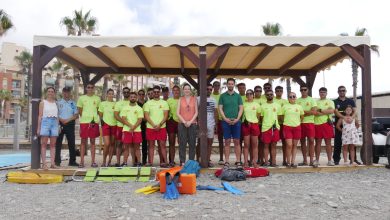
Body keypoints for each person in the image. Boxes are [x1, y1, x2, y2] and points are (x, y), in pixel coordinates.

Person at [218, 78, 243, 165]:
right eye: (229, 84)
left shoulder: (238, 96)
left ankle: (238, 160)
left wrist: (237, 119)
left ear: (234, 85)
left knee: (237, 141)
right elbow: (220, 108)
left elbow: (241, 108)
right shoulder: (222, 96)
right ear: (227, 85)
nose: (230, 85)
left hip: (236, 122)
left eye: (232, 84)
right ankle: (227, 161)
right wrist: (225, 118)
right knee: (227, 141)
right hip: (226, 121)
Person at [333, 86, 360, 165]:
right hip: (340, 124)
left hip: (351, 125)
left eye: (343, 90)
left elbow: (355, 111)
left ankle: (353, 160)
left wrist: (351, 118)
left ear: (346, 91)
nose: (342, 92)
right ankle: (336, 159)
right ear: (338, 92)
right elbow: (336, 112)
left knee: (352, 144)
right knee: (338, 143)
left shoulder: (350, 101)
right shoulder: (334, 101)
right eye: (340, 91)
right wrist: (344, 118)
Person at [143, 85, 169, 167]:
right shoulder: (147, 103)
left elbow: (166, 115)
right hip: (151, 127)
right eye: (155, 92)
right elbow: (146, 116)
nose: (156, 93)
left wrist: (160, 125)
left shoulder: (164, 103)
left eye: (158, 92)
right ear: (152, 93)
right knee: (151, 145)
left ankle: (165, 162)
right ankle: (150, 162)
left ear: (160, 93)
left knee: (162, 145)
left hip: (162, 127)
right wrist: (154, 125)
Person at [77, 83, 101, 168]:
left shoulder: (97, 98)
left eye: (92, 87)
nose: (90, 89)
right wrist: (85, 117)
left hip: (93, 122)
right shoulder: (81, 98)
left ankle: (93, 162)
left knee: (93, 142)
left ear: (94, 88)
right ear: (86, 88)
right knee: (83, 141)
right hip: (84, 122)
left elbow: (98, 111)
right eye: (88, 87)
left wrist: (94, 118)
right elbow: (80, 110)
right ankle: (81, 162)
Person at [55, 87, 79, 167]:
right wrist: (62, 120)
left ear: (70, 93)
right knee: (58, 143)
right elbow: (56, 114)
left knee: (71, 143)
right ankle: (57, 161)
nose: (66, 94)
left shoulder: (73, 103)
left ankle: (72, 161)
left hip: (70, 124)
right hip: (60, 124)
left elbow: (76, 115)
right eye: (64, 92)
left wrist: (67, 120)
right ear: (62, 93)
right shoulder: (58, 103)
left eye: (67, 92)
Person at [196, 84, 218, 167]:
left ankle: (208, 160)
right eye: (207, 89)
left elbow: (215, 112)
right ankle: (197, 159)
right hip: (201, 124)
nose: (208, 91)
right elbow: (196, 111)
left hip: (211, 123)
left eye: (210, 89)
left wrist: (216, 124)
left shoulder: (214, 100)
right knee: (200, 142)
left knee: (209, 142)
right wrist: (198, 122)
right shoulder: (198, 99)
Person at [37, 87, 59, 169]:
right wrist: (38, 128)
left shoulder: (56, 103)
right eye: (49, 91)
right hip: (45, 122)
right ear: (46, 92)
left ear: (54, 93)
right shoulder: (43, 103)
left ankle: (52, 164)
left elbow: (57, 115)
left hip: (54, 123)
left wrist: (58, 125)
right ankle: (44, 164)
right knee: (44, 144)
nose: (50, 93)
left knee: (53, 144)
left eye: (52, 91)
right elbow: (40, 116)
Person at [177, 84, 198, 165]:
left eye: (188, 89)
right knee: (182, 143)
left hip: (192, 124)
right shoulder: (180, 99)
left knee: (192, 143)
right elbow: (178, 113)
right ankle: (182, 161)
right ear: (183, 90)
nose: (187, 90)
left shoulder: (194, 99)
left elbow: (196, 112)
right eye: (185, 89)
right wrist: (184, 121)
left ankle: (191, 161)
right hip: (182, 124)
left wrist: (190, 122)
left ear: (190, 90)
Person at [281, 92, 304, 168]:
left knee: (295, 145)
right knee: (289, 145)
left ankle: (293, 162)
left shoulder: (299, 107)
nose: (292, 98)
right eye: (290, 97)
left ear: (296, 97)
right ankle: (288, 161)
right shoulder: (285, 106)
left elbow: (302, 116)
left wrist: (298, 122)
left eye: (294, 96)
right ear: (288, 98)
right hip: (287, 127)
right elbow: (281, 117)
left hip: (297, 127)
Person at [260, 90, 282, 167]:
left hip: (275, 127)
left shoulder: (278, 105)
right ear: (265, 96)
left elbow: (279, 117)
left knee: (273, 146)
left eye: (271, 94)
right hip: (265, 128)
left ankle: (273, 162)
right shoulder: (262, 106)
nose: (269, 96)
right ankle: (266, 162)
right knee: (265, 146)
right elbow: (261, 118)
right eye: (268, 94)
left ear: (273, 95)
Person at [296, 84, 317, 167]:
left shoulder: (312, 100)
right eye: (302, 90)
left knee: (311, 141)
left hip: (310, 123)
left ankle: (311, 160)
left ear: (308, 90)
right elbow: (297, 113)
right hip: (300, 123)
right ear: (300, 91)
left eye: (305, 89)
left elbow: (314, 112)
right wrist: (308, 112)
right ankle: (305, 160)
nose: (303, 91)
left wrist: (303, 112)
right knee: (302, 142)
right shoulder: (297, 100)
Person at [121, 92, 144, 166]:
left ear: (136, 98)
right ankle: (125, 163)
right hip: (127, 130)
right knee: (126, 148)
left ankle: (139, 163)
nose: (133, 98)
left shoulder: (139, 108)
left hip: (137, 130)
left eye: (134, 97)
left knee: (137, 148)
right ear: (129, 98)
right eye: (131, 97)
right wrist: (131, 126)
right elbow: (123, 119)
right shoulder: (125, 108)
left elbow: (140, 120)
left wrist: (133, 127)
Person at [314, 87, 335, 166]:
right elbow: (315, 112)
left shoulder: (330, 101)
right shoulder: (315, 102)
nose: (322, 93)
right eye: (321, 92)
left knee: (328, 143)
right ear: (319, 93)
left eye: (324, 92)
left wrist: (321, 111)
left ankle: (330, 160)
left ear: (326, 93)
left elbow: (332, 111)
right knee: (318, 143)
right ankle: (317, 160)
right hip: (317, 123)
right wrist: (325, 111)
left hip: (327, 123)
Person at [242, 89, 261, 168]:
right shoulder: (243, 104)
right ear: (246, 95)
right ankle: (246, 162)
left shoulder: (257, 105)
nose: (249, 95)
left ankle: (254, 162)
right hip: (246, 125)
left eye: (250, 94)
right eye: (248, 94)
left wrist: (253, 121)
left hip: (254, 124)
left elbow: (258, 116)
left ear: (253, 95)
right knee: (246, 145)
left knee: (255, 145)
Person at [98, 89, 117, 167]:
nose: (111, 95)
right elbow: (100, 115)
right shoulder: (102, 104)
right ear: (107, 94)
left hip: (114, 125)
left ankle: (109, 161)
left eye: (112, 94)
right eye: (109, 94)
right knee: (107, 144)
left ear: (114, 95)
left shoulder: (116, 104)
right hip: (106, 125)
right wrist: (104, 123)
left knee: (112, 144)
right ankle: (104, 161)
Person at [114, 87, 131, 166]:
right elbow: (116, 115)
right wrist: (124, 122)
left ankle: (125, 162)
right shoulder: (118, 103)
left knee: (126, 145)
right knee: (119, 144)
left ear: (130, 93)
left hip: (129, 127)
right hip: (120, 126)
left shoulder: (133, 102)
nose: (126, 93)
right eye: (125, 92)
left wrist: (128, 124)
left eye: (128, 92)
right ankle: (118, 162)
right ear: (123, 93)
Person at [274, 86, 289, 166]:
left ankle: (285, 160)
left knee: (285, 143)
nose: (279, 92)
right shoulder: (272, 100)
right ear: (275, 92)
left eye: (280, 90)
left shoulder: (286, 101)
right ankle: (273, 160)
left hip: (283, 124)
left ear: (282, 92)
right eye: (277, 91)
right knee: (273, 143)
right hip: (274, 124)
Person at [166, 85, 180, 166]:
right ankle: (171, 161)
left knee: (181, 142)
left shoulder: (182, 100)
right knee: (172, 142)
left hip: (181, 122)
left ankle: (182, 160)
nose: (176, 91)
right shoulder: (169, 100)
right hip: (171, 122)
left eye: (177, 90)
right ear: (172, 91)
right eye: (174, 90)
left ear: (179, 91)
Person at [211, 81, 224, 165]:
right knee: (209, 140)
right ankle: (208, 158)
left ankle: (221, 158)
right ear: (213, 86)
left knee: (221, 139)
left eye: (218, 85)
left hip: (221, 120)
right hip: (211, 120)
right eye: (215, 85)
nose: (217, 86)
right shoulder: (210, 95)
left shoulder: (222, 96)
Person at [137, 89, 148, 165]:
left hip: (146, 126)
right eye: (140, 94)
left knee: (145, 144)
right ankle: (137, 161)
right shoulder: (135, 103)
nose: (141, 96)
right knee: (136, 145)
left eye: (142, 94)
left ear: (144, 95)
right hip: (137, 126)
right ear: (138, 95)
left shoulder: (147, 103)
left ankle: (144, 161)